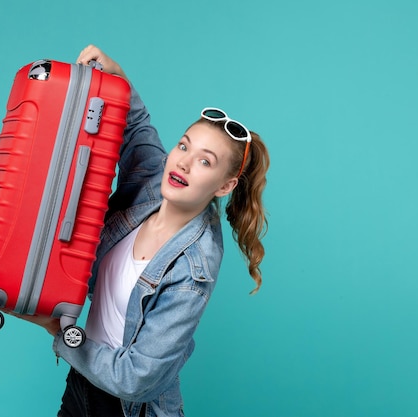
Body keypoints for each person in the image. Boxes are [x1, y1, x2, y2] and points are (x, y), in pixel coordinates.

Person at [18, 45, 270, 417]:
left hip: (128, 409)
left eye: (205, 161)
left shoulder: (193, 268)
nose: (183, 161)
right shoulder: (154, 183)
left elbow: (137, 379)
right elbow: (135, 126)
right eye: (183, 145)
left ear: (225, 186)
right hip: (82, 387)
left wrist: (58, 331)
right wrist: (118, 76)